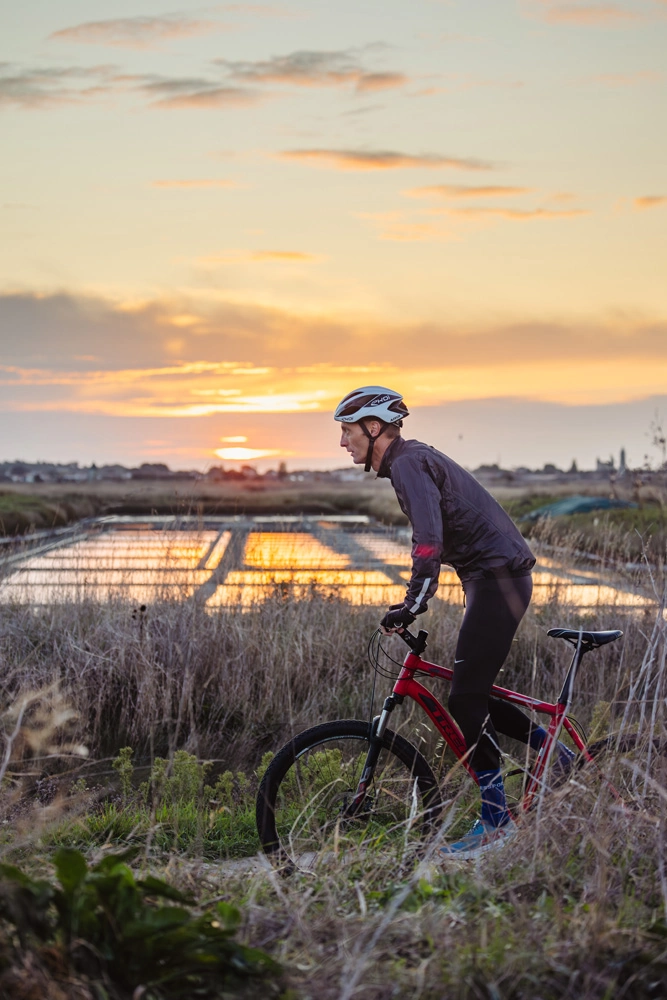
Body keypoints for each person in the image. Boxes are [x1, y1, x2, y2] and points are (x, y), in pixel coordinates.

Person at [334, 385, 573, 858]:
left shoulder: (406, 463)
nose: (343, 442)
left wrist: (412, 602)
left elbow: (428, 542)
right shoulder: (410, 460)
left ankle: (495, 819)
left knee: (465, 699)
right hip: (489, 578)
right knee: (472, 694)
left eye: (346, 431)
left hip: (496, 577)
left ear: (374, 427)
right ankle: (557, 756)